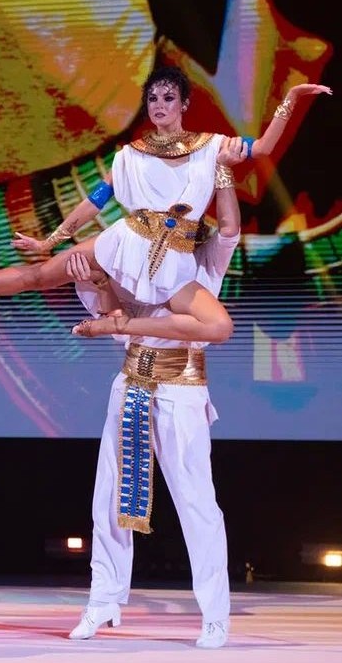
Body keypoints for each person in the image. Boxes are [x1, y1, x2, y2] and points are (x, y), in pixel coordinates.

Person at [0, 68, 331, 343]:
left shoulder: (212, 146)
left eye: (168, 98)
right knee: (37, 276)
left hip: (176, 257)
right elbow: (95, 201)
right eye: (153, 99)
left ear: (184, 103)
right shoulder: (131, 154)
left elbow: (266, 146)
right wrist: (50, 240)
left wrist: (291, 97)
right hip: (127, 238)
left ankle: (119, 323)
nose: (159, 106)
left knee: (219, 327)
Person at [63, 159, 243, 649]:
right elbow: (116, 320)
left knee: (196, 503)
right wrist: (99, 284)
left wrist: (222, 171)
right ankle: (104, 600)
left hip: (182, 386)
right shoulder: (134, 254)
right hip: (131, 382)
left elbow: (229, 227)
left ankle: (215, 614)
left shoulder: (205, 260)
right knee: (110, 498)